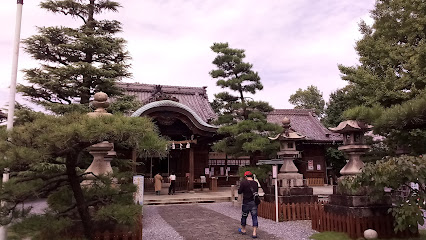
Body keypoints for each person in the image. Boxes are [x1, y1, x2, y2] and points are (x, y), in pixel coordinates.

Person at [238, 171, 259, 238]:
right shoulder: (255, 183)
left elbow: (239, 191)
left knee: (244, 216)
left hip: (246, 202)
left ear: (245, 176)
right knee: (254, 216)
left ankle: (243, 229)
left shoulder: (243, 183)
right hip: (253, 202)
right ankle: (254, 232)